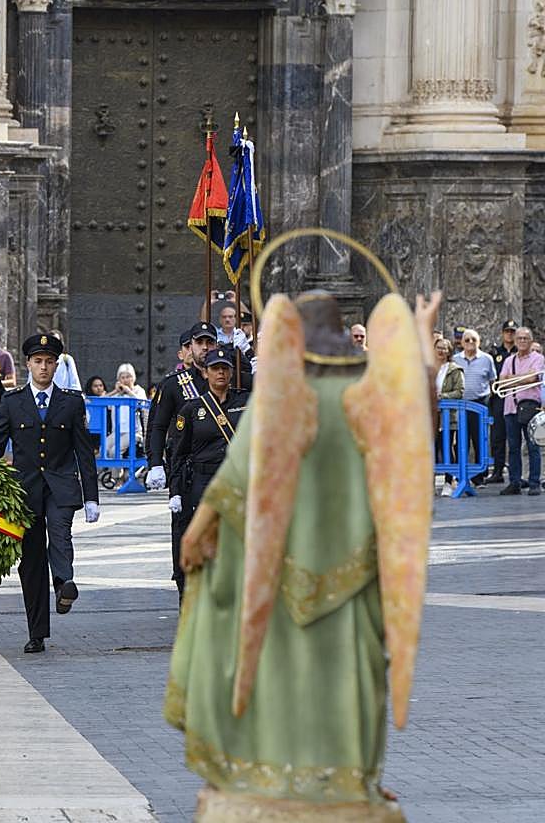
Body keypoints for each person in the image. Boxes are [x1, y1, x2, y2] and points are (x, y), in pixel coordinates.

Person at [166, 288, 439, 818]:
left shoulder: (284, 394)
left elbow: (237, 476)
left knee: (277, 668)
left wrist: (198, 528)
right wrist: (422, 344)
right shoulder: (368, 393)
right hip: (353, 568)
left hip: (280, 565)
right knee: (352, 669)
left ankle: (268, 768)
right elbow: (415, 432)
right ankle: (353, 776)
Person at [0, 334, 99, 653]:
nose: (44, 367)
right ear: (28, 365)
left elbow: (83, 450)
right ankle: (36, 631)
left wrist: (91, 496)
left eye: (49, 362)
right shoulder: (12, 401)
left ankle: (64, 584)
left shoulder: (72, 401)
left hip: (61, 484)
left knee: (60, 533)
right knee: (31, 559)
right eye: (38, 362)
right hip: (26, 489)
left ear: (56, 364)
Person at [146, 321, 215, 601]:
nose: (205, 348)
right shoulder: (174, 386)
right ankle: (185, 590)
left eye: (210, 342)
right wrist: (155, 463)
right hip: (186, 471)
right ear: (189, 348)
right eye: (200, 343)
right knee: (185, 532)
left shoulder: (228, 378)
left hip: (221, 469)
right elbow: (158, 426)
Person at [168, 346, 248, 542]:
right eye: (214, 368)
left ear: (231, 372)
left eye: (224, 368)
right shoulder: (193, 409)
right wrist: (175, 491)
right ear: (205, 372)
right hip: (204, 480)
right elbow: (179, 453)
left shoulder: (246, 401)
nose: (220, 372)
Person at [497, 326, 544, 496]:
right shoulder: (509, 360)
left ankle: (534, 483)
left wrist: (513, 379)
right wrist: (521, 379)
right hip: (510, 407)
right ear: (515, 341)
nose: (522, 341)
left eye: (525, 338)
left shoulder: (538, 358)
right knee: (514, 447)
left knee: (533, 446)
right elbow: (501, 382)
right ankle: (515, 482)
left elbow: (533, 378)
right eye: (519, 338)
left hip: (530, 406)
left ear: (531, 341)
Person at [452, 329, 496, 486]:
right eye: (467, 340)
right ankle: (460, 475)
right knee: (460, 442)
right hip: (460, 405)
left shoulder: (487, 359)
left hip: (480, 403)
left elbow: (493, 381)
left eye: (473, 340)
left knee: (480, 440)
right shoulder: (455, 359)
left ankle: (479, 477)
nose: (470, 342)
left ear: (479, 342)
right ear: (462, 343)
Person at [433, 337, 465, 496]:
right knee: (431, 448)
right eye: (438, 347)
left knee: (447, 447)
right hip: (431, 417)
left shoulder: (454, 369)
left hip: (448, 416)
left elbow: (460, 391)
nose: (441, 351)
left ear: (449, 351)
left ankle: (448, 481)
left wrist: (443, 396)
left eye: (444, 348)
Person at [487, 319, 517, 484]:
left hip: (515, 396)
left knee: (514, 437)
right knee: (497, 436)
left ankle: (515, 472)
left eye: (512, 332)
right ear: (502, 333)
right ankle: (497, 471)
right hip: (499, 398)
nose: (510, 335)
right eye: (507, 331)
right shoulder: (494, 352)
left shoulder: (519, 351)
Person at [105, 362, 149, 458]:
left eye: (128, 377)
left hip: (134, 432)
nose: (125, 380)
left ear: (133, 378)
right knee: (103, 449)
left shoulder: (139, 390)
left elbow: (142, 404)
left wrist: (129, 391)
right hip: (117, 431)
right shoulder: (117, 394)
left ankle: (118, 473)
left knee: (114, 452)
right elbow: (103, 401)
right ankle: (113, 472)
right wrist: (115, 391)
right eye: (122, 377)